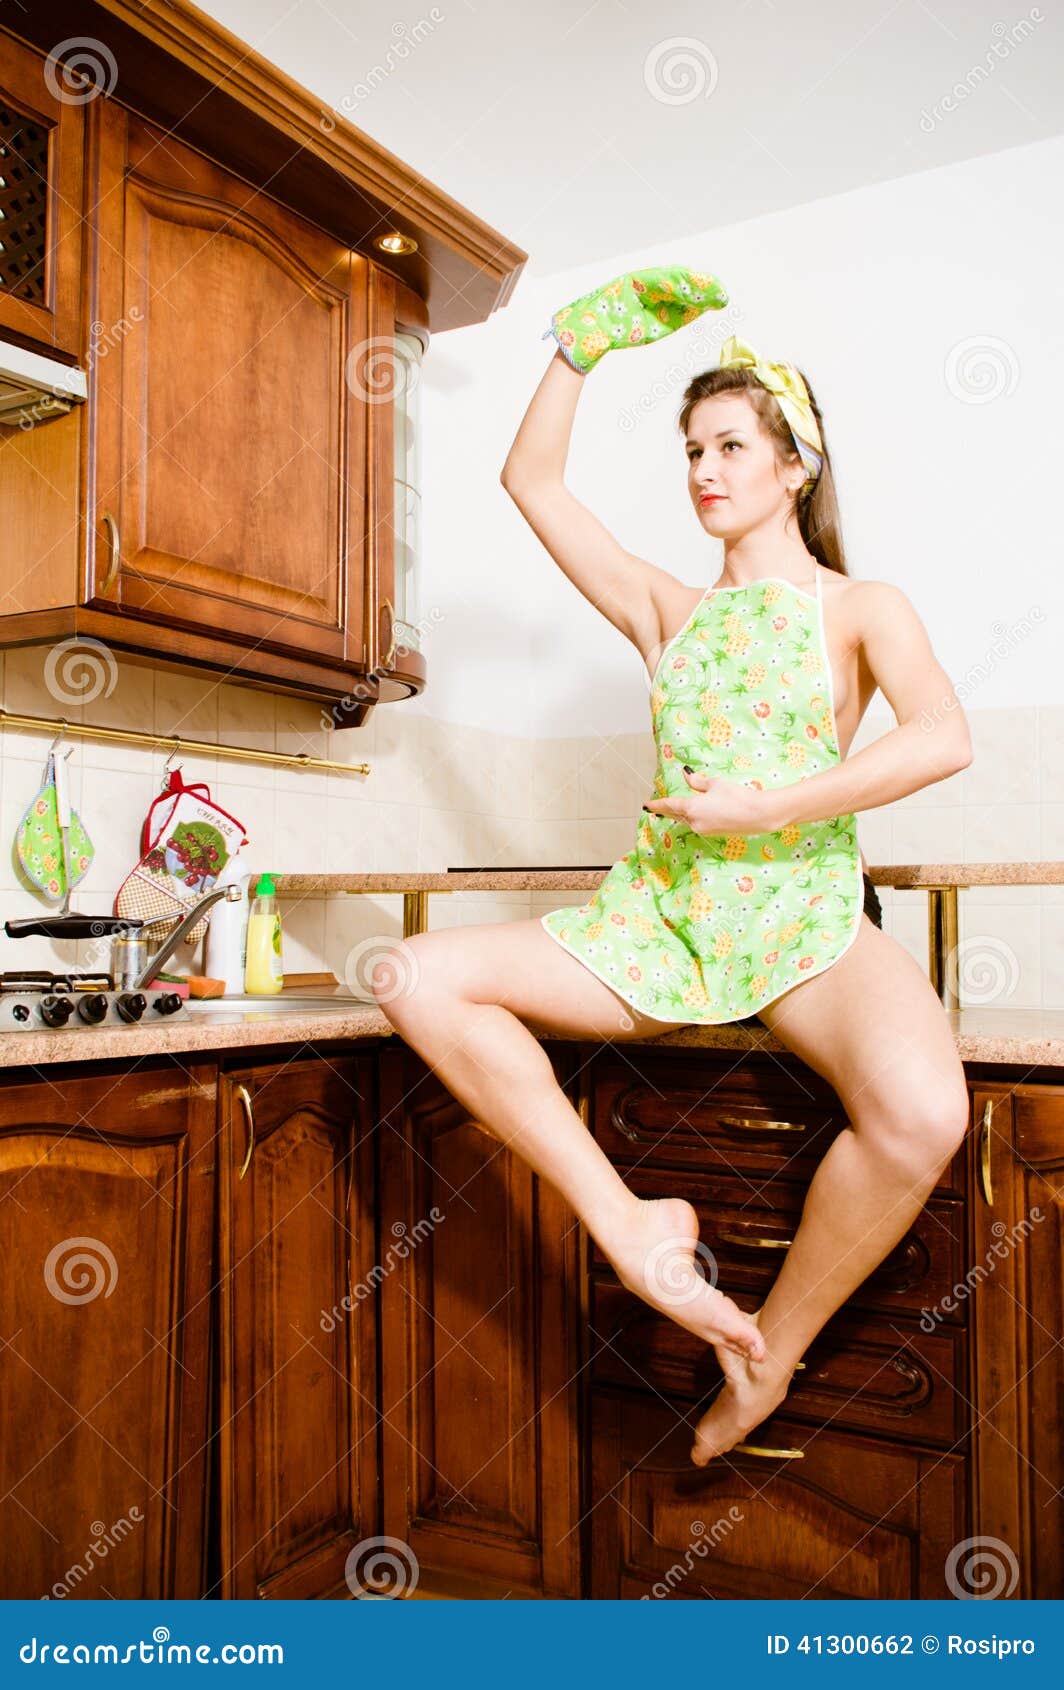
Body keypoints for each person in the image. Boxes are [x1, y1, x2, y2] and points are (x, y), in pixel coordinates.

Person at [372, 285, 973, 1467]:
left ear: (792, 465)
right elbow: (532, 485)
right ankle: (627, 1222)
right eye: (690, 450)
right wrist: (573, 347)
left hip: (802, 916)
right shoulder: (666, 609)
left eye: (729, 447)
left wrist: (767, 805)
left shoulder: (857, 608)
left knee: (922, 1114)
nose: (702, 470)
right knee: (411, 973)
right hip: (660, 920)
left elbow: (941, 734)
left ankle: (769, 1351)